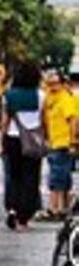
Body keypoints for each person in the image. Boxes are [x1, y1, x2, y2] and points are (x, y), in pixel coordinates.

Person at [0, 61, 45, 231]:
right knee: (31, 178)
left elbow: (5, 122)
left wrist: (1, 143)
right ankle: (23, 218)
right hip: (32, 141)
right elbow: (43, 120)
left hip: (12, 139)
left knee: (14, 177)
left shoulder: (9, 95)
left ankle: (12, 208)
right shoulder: (40, 95)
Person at [42, 70, 77, 219]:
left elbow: (74, 120)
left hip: (63, 143)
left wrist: (74, 141)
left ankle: (55, 208)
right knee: (62, 176)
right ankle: (63, 207)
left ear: (62, 84)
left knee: (57, 177)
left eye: (55, 84)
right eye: (49, 84)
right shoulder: (49, 99)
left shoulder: (65, 99)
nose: (51, 86)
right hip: (53, 142)